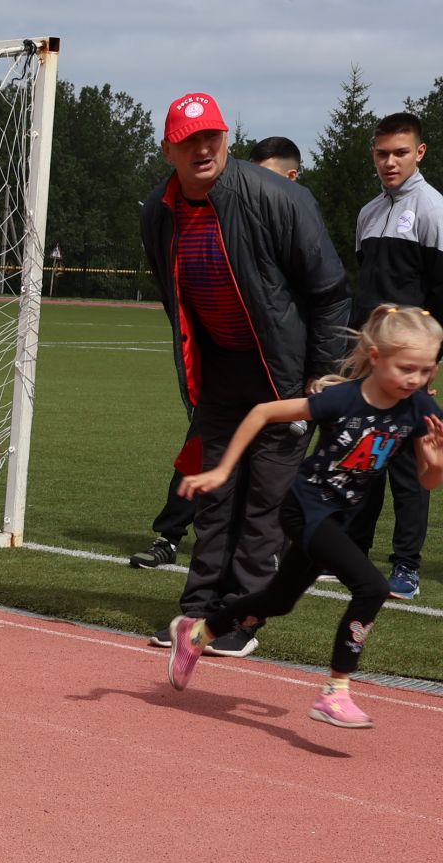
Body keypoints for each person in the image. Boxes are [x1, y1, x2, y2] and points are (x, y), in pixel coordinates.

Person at [140, 92, 349, 656]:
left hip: (282, 374)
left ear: (226, 138)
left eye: (211, 136)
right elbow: (174, 298)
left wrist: (321, 375)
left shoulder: (280, 198)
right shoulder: (156, 213)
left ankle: (242, 619)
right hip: (219, 373)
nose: (202, 149)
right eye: (188, 141)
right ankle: (196, 613)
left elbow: (329, 292)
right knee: (214, 497)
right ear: (168, 150)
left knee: (264, 504)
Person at [166, 305, 443, 728]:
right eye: (407, 368)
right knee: (370, 587)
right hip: (306, 509)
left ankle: (198, 633)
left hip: (339, 518)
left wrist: (434, 463)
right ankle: (336, 691)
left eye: (427, 371)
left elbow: (428, 483)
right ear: (374, 355)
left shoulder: (418, 408)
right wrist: (221, 470)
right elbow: (262, 412)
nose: (417, 380)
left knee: (278, 601)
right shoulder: (344, 398)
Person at [129, 135, 304, 571]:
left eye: (270, 177)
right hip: (225, 372)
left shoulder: (292, 224)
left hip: (278, 373)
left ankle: (269, 564)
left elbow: (317, 297)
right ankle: (170, 536)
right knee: (198, 453)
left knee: (268, 479)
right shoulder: (215, 212)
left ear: (292, 179)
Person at [344, 112, 443, 600]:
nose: (389, 161)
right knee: (363, 457)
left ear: (419, 153)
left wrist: (430, 363)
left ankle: (406, 567)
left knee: (406, 466)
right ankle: (353, 553)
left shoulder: (432, 209)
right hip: (368, 358)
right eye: (382, 153)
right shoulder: (368, 212)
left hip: (408, 363)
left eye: (400, 152)